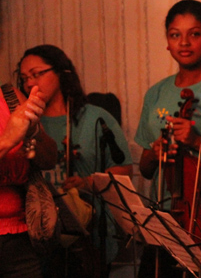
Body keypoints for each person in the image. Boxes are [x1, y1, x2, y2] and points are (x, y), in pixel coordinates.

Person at [134, 0, 201, 277]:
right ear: (167, 42)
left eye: (194, 34)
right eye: (175, 35)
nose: (184, 42)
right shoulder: (155, 93)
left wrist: (196, 141)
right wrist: (155, 151)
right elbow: (146, 170)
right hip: (165, 212)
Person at [17, 45, 133, 277]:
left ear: (61, 73)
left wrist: (87, 182)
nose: (29, 84)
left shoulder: (96, 117)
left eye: (36, 74)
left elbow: (123, 170)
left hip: (89, 237)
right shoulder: (21, 123)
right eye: (24, 78)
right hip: (38, 235)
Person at [0, 85, 57, 278]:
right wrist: (6, 141)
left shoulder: (9, 96)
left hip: (21, 236)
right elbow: (8, 140)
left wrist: (34, 133)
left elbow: (49, 160)